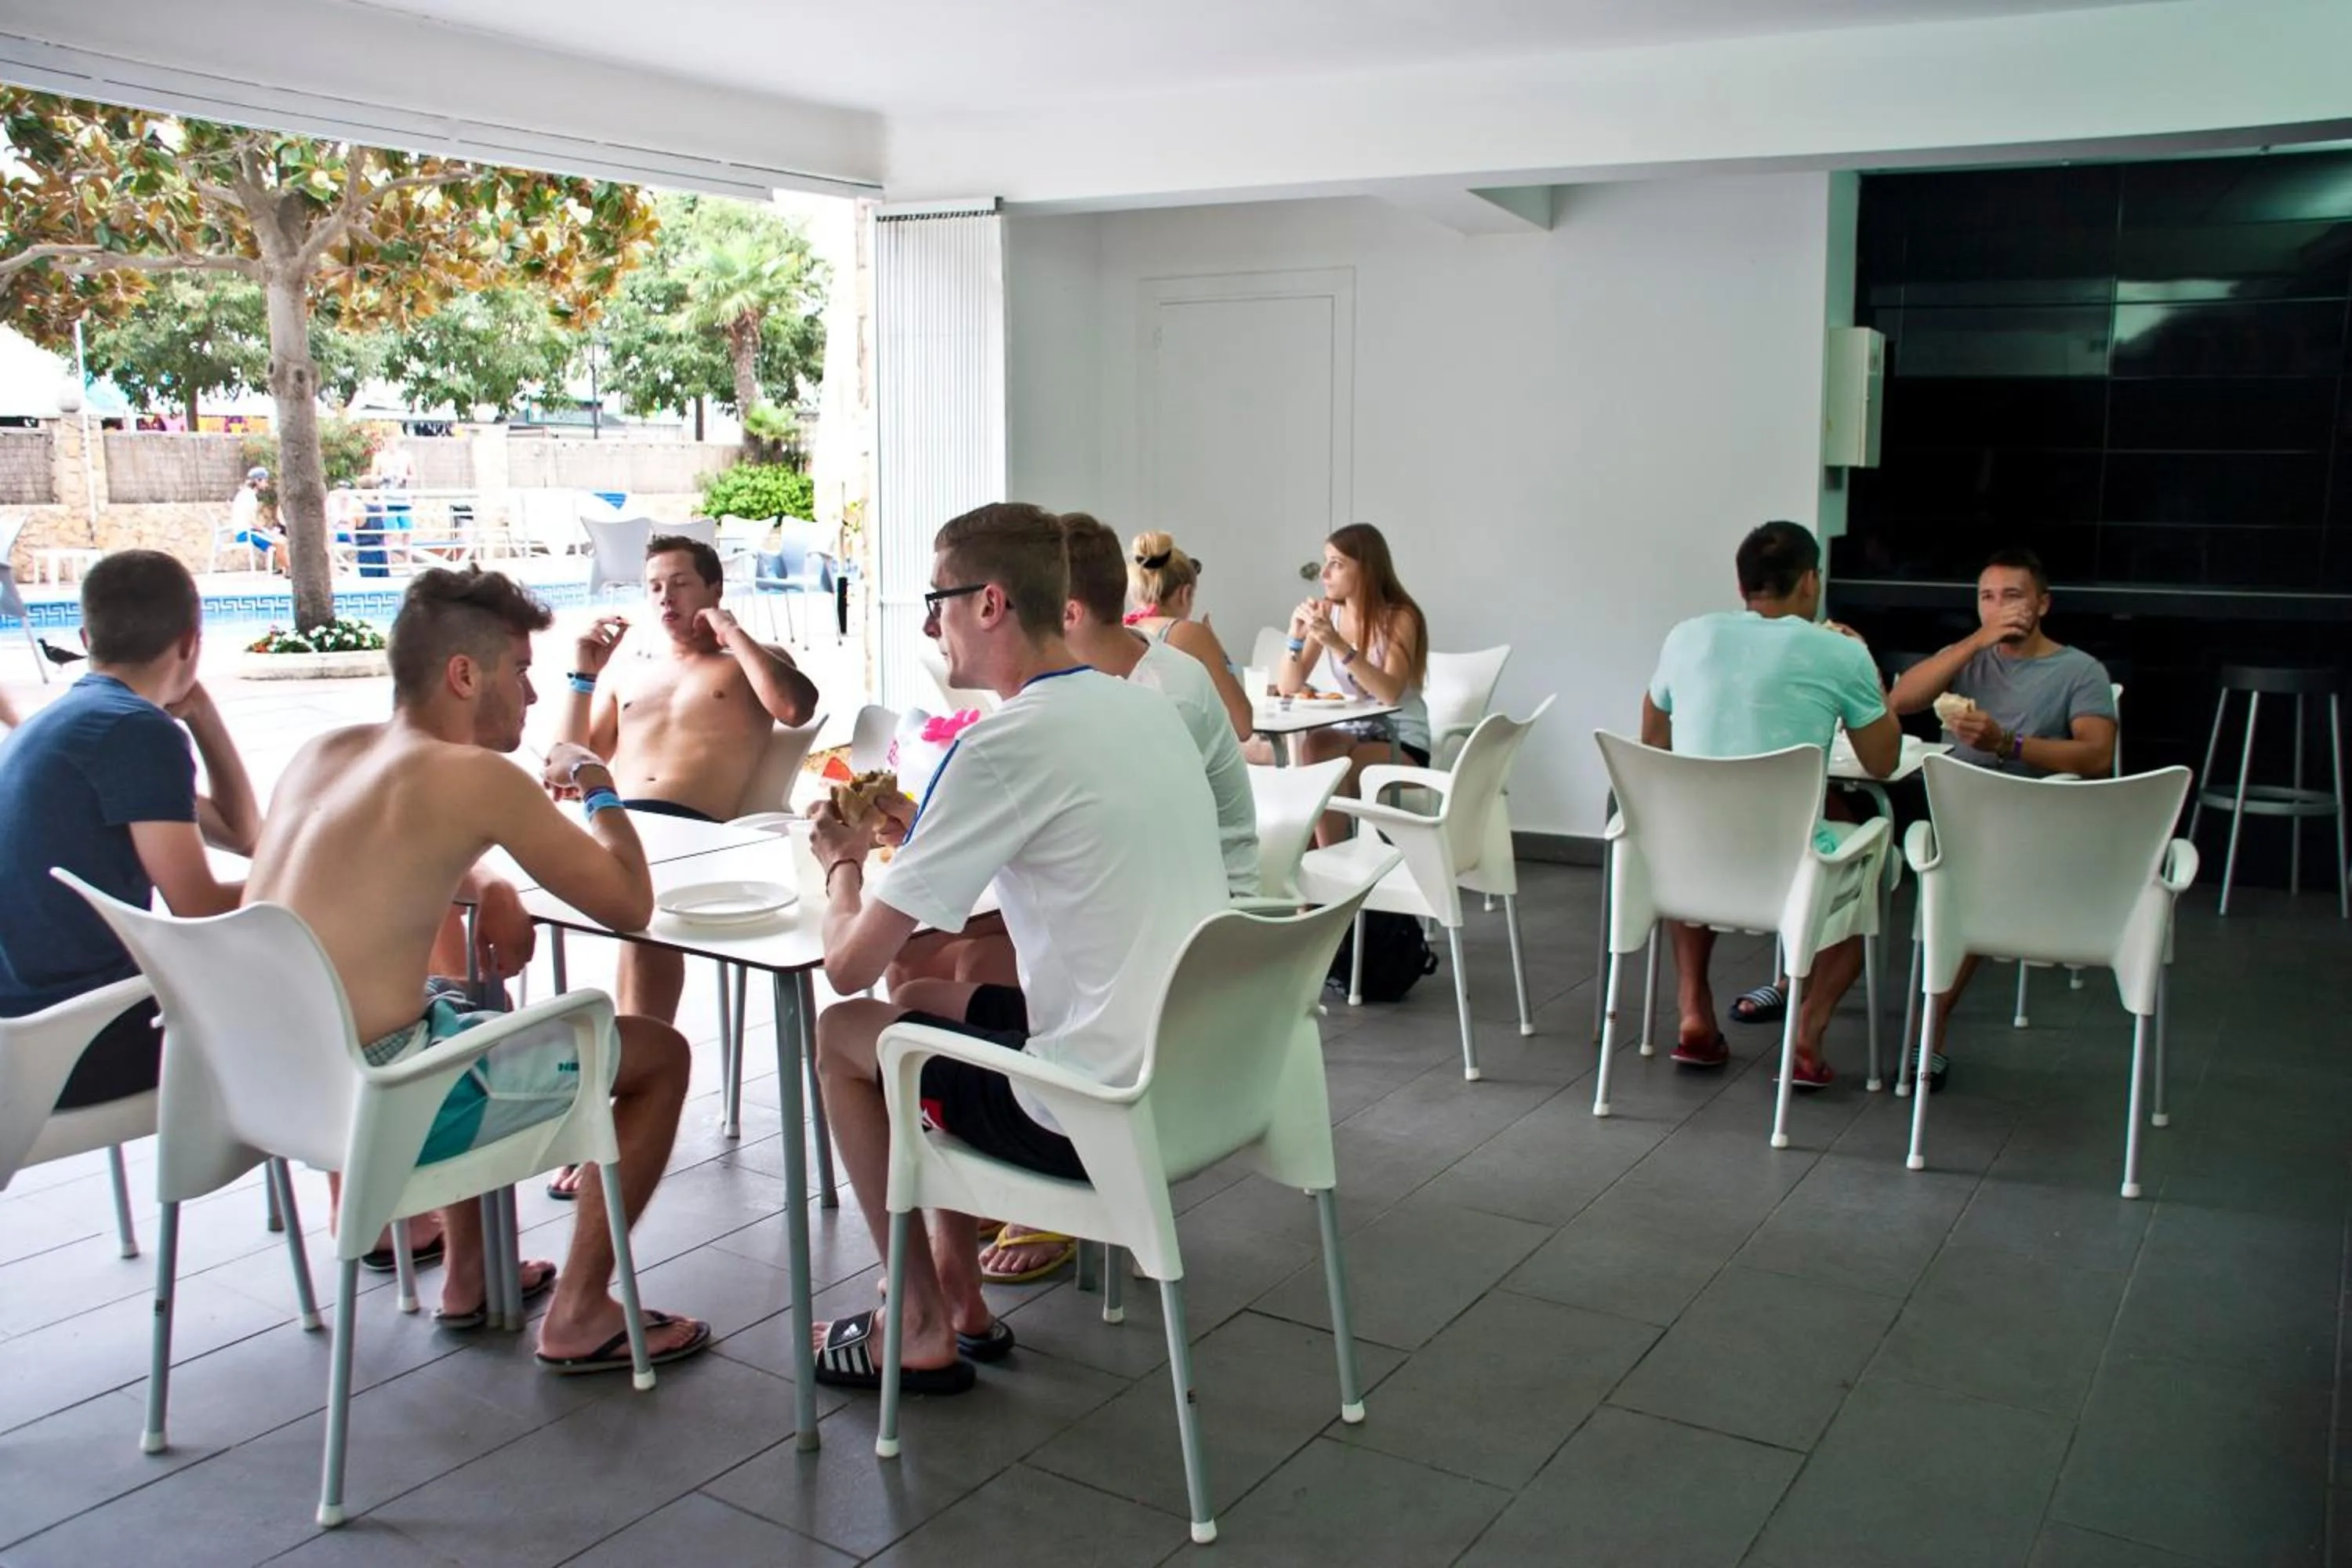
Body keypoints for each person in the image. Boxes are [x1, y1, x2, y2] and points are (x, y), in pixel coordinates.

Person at [800, 501, 1224, 1396]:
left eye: (937, 599)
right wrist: (921, 836)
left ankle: (910, 1322)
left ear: (990, 602)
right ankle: (956, 1290)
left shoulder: (1002, 742)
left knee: (845, 1033)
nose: (927, 623)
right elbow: (1060, 844)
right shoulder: (1145, 707)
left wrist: (844, 864)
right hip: (1197, 1077)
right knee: (919, 1006)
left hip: (1094, 1111)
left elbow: (848, 963)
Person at [244, 567, 708, 1370]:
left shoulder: (325, 753)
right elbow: (631, 905)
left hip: (269, 1083)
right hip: (382, 1099)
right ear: (465, 674)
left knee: (458, 1004)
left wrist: (488, 879)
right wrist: (600, 788)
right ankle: (582, 1311)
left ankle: (468, 1276)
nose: (532, 698)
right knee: (657, 1055)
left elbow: (373, 862)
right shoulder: (473, 775)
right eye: (522, 672)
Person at [546, 532, 819, 1198]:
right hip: (618, 822)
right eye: (656, 587)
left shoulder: (749, 668)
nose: (666, 598)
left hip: (697, 837)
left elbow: (795, 706)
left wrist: (730, 631)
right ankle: (577, 1098)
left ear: (714, 589)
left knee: (640, 931)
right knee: (499, 894)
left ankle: (617, 1114)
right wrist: (584, 672)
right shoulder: (632, 674)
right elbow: (566, 760)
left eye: (681, 584)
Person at [1642, 520, 1900, 1090]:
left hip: (1689, 861)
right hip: (1790, 864)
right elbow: (1883, 763)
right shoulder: (1839, 652)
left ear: (1743, 588)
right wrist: (1870, 674)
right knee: (1876, 861)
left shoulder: (1686, 636)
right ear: (1810, 582)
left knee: (1695, 833)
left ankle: (1693, 1010)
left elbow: (1653, 740)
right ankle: (1808, 1026)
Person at [0, 550, 260, 1117]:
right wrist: (324, 885)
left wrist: (202, 717)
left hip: (22, 1034)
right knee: (324, 1009)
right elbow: (201, 910)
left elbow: (244, 836)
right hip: (79, 1042)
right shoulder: (132, 731)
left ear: (86, 635)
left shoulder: (77, 723)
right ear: (193, 641)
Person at [1884, 546, 2118, 1088]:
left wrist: (2007, 744)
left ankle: (1930, 1025)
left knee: (1967, 885)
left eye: (2012, 596)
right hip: (1957, 813)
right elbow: (1901, 701)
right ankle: (1793, 984)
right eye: (1987, 598)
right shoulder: (1970, 657)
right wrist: (1976, 641)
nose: (1999, 607)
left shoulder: (2080, 670)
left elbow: (2097, 756)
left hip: (2039, 821)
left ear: (2042, 604)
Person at [1275, 523, 1432, 844]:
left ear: (1366, 570)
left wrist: (1338, 646)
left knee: (1327, 775)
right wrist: (1294, 638)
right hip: (1354, 733)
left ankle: (1331, 870)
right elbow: (1289, 687)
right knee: (1315, 747)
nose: (1324, 574)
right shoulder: (1329, 613)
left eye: (1337, 563)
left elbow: (1389, 693)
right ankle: (1327, 868)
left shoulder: (1401, 617)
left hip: (1401, 738)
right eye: (1326, 561)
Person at [1123, 531, 1252, 739]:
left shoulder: (1118, 632)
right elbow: (1242, 725)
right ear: (1185, 593)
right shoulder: (1189, 633)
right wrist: (1218, 650)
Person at [227, 467, 285, 575]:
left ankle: (282, 568)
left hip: (243, 532)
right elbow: (251, 520)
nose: (266, 484)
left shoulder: (244, 494)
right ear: (257, 481)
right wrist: (265, 531)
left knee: (275, 541)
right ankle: (288, 570)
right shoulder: (250, 496)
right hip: (246, 533)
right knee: (278, 542)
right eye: (265, 480)